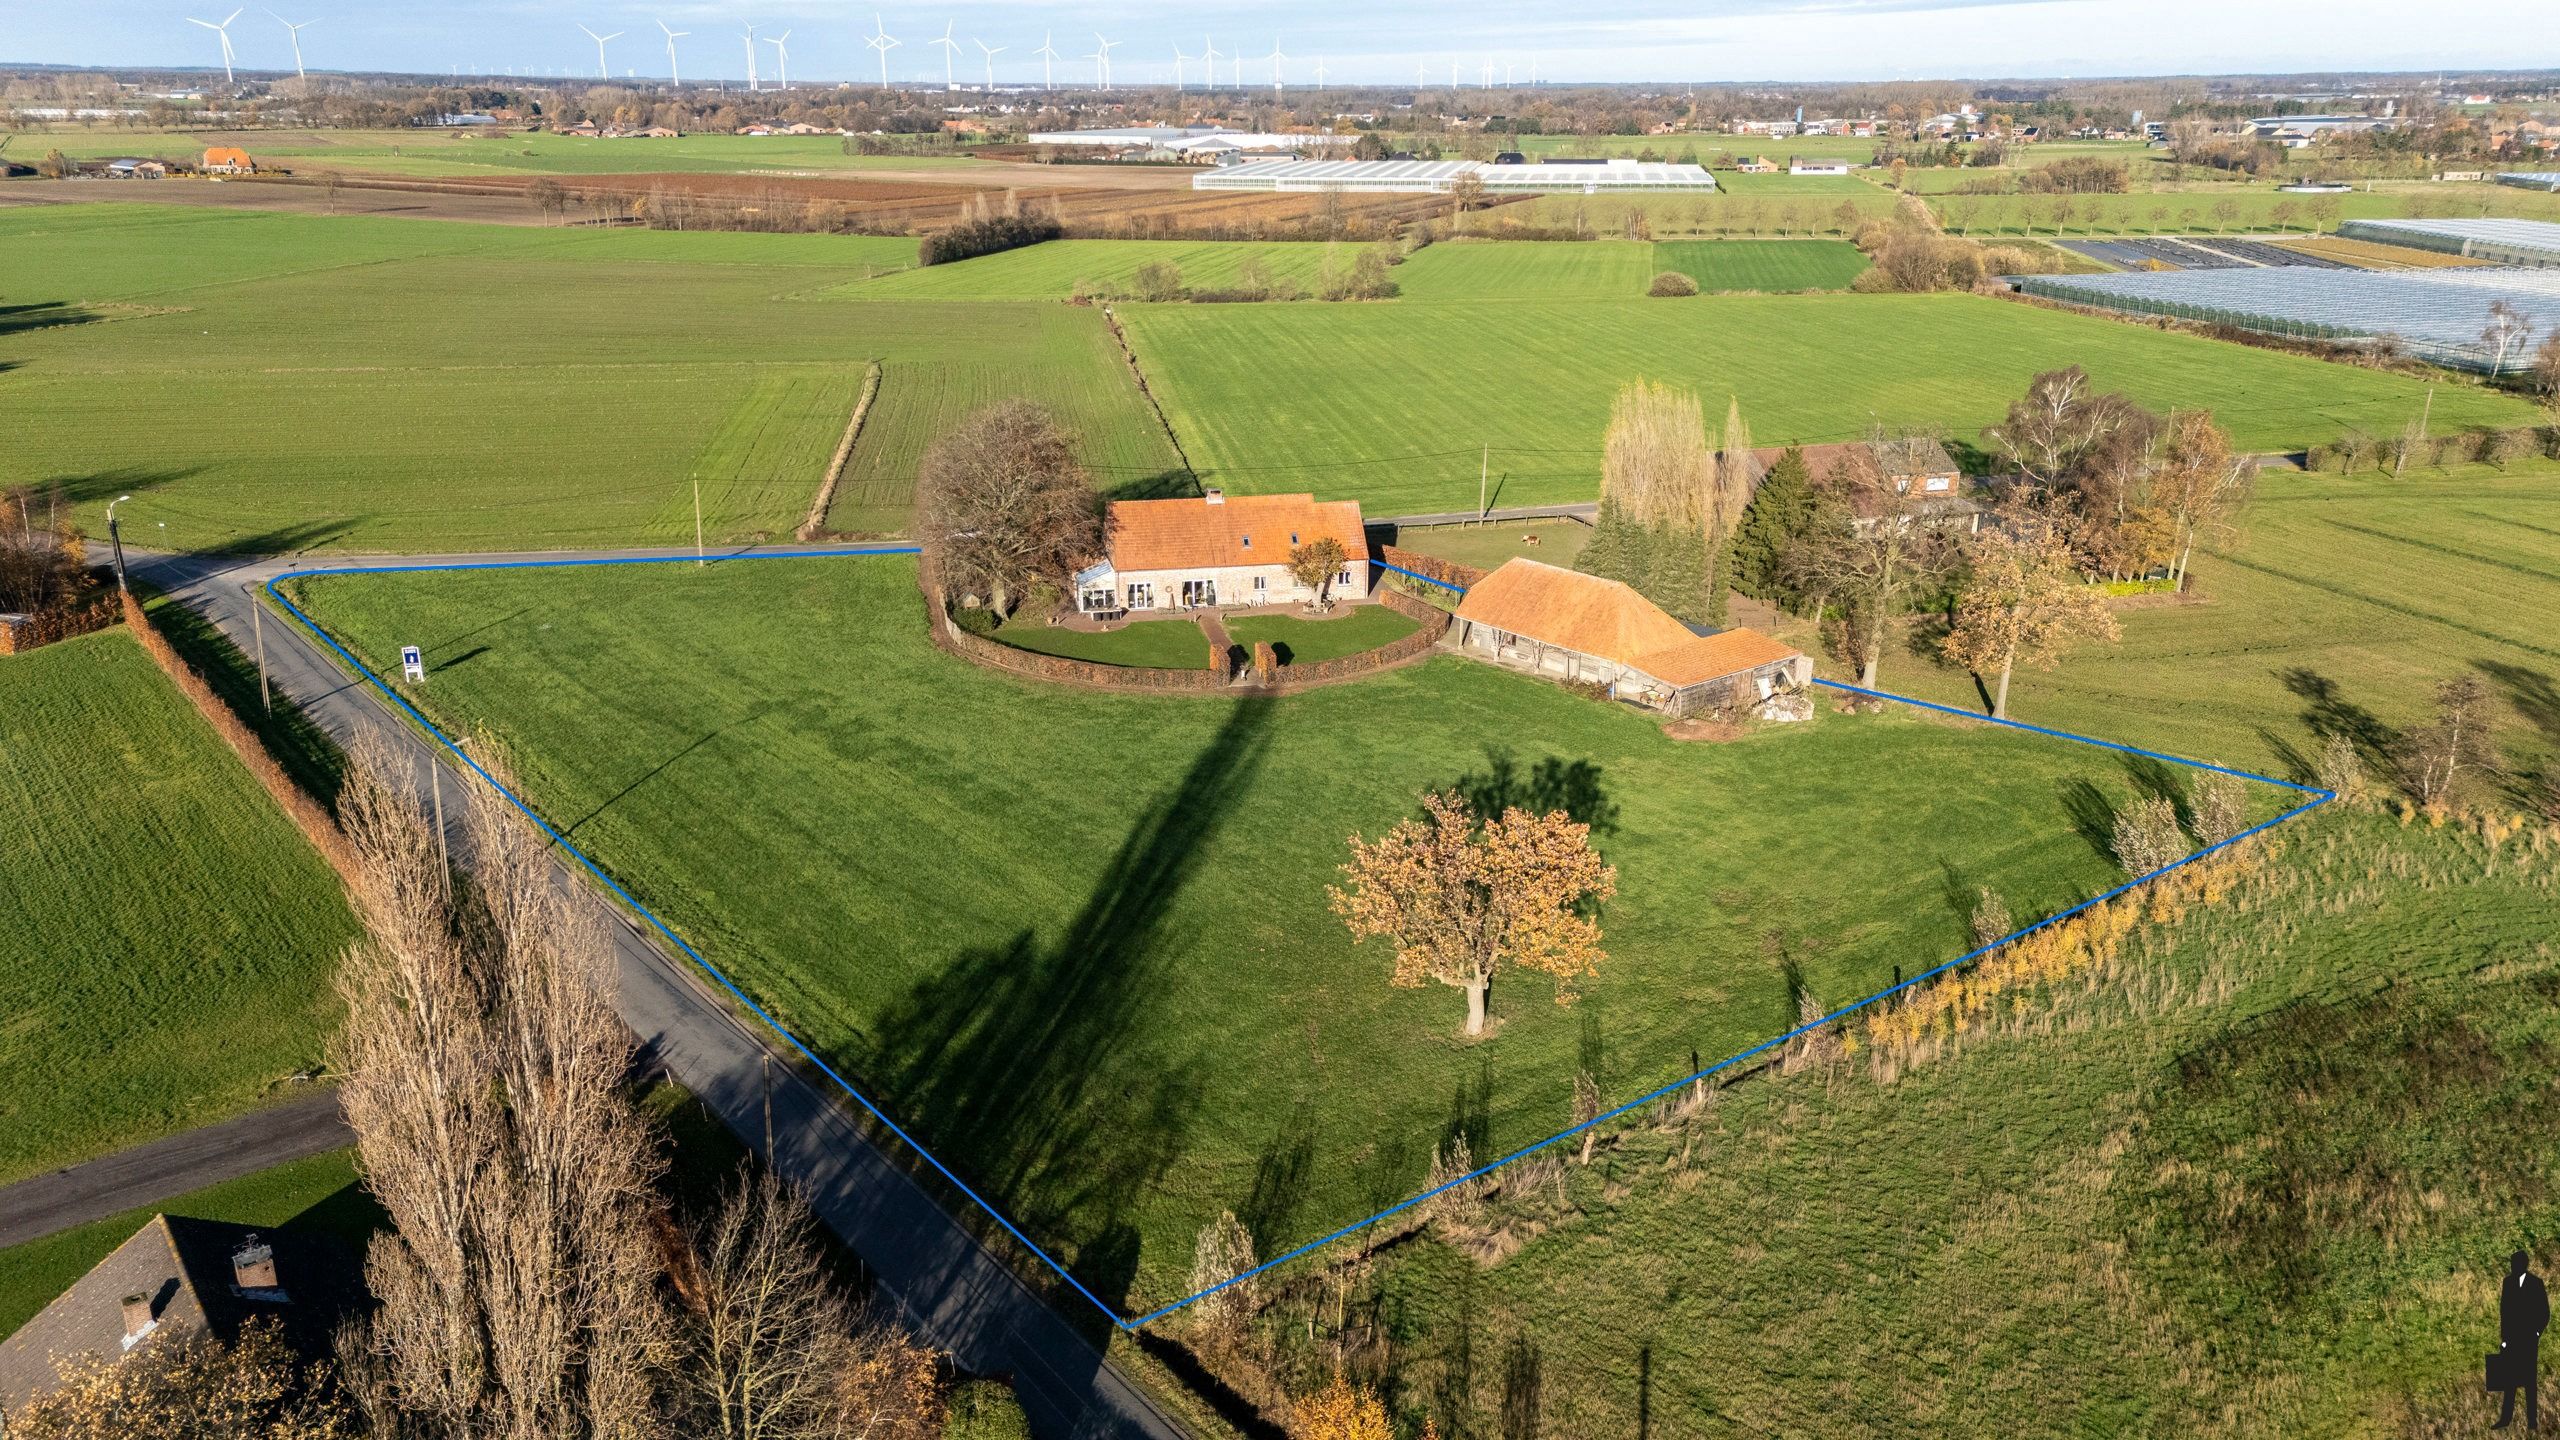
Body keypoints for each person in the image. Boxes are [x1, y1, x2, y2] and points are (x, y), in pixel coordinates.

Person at [2497, 1250, 2549, 1431]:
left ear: (2523, 1264)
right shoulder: (2508, 1282)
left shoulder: (2536, 1283)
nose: (2513, 1267)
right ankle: (2505, 1419)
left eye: (2516, 1263)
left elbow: (2544, 1312)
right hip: (2511, 1339)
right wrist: (2504, 1338)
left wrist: (2536, 1333)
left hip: (2528, 1340)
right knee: (2509, 1380)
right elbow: (2504, 1312)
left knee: (2529, 1380)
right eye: (2513, 1263)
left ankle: (2532, 1421)